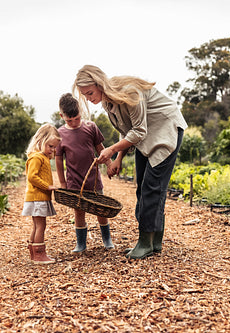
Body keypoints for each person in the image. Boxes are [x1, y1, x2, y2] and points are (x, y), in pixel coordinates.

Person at [73, 65, 188, 259]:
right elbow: (126, 130)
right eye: (84, 95)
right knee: (142, 187)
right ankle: (154, 242)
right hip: (145, 137)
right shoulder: (108, 103)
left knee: (152, 187)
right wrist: (118, 159)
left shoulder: (129, 92)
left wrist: (111, 150)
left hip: (164, 130)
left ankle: (145, 243)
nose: (88, 98)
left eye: (90, 92)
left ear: (100, 84)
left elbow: (138, 131)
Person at [55, 93, 114, 253]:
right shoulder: (60, 134)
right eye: (69, 120)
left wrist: (109, 164)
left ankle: (107, 239)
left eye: (77, 119)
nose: (74, 123)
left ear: (81, 112)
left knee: (100, 209)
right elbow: (59, 160)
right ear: (62, 116)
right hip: (74, 181)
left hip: (93, 179)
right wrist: (62, 183)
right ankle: (81, 244)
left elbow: (100, 148)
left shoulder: (91, 127)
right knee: (79, 211)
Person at [22, 123, 61, 264]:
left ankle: (34, 254)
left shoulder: (42, 157)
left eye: (54, 147)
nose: (52, 150)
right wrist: (47, 187)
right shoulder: (37, 157)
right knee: (40, 226)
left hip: (38, 198)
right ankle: (39, 255)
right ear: (40, 141)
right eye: (50, 146)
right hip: (38, 198)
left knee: (37, 225)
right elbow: (32, 177)